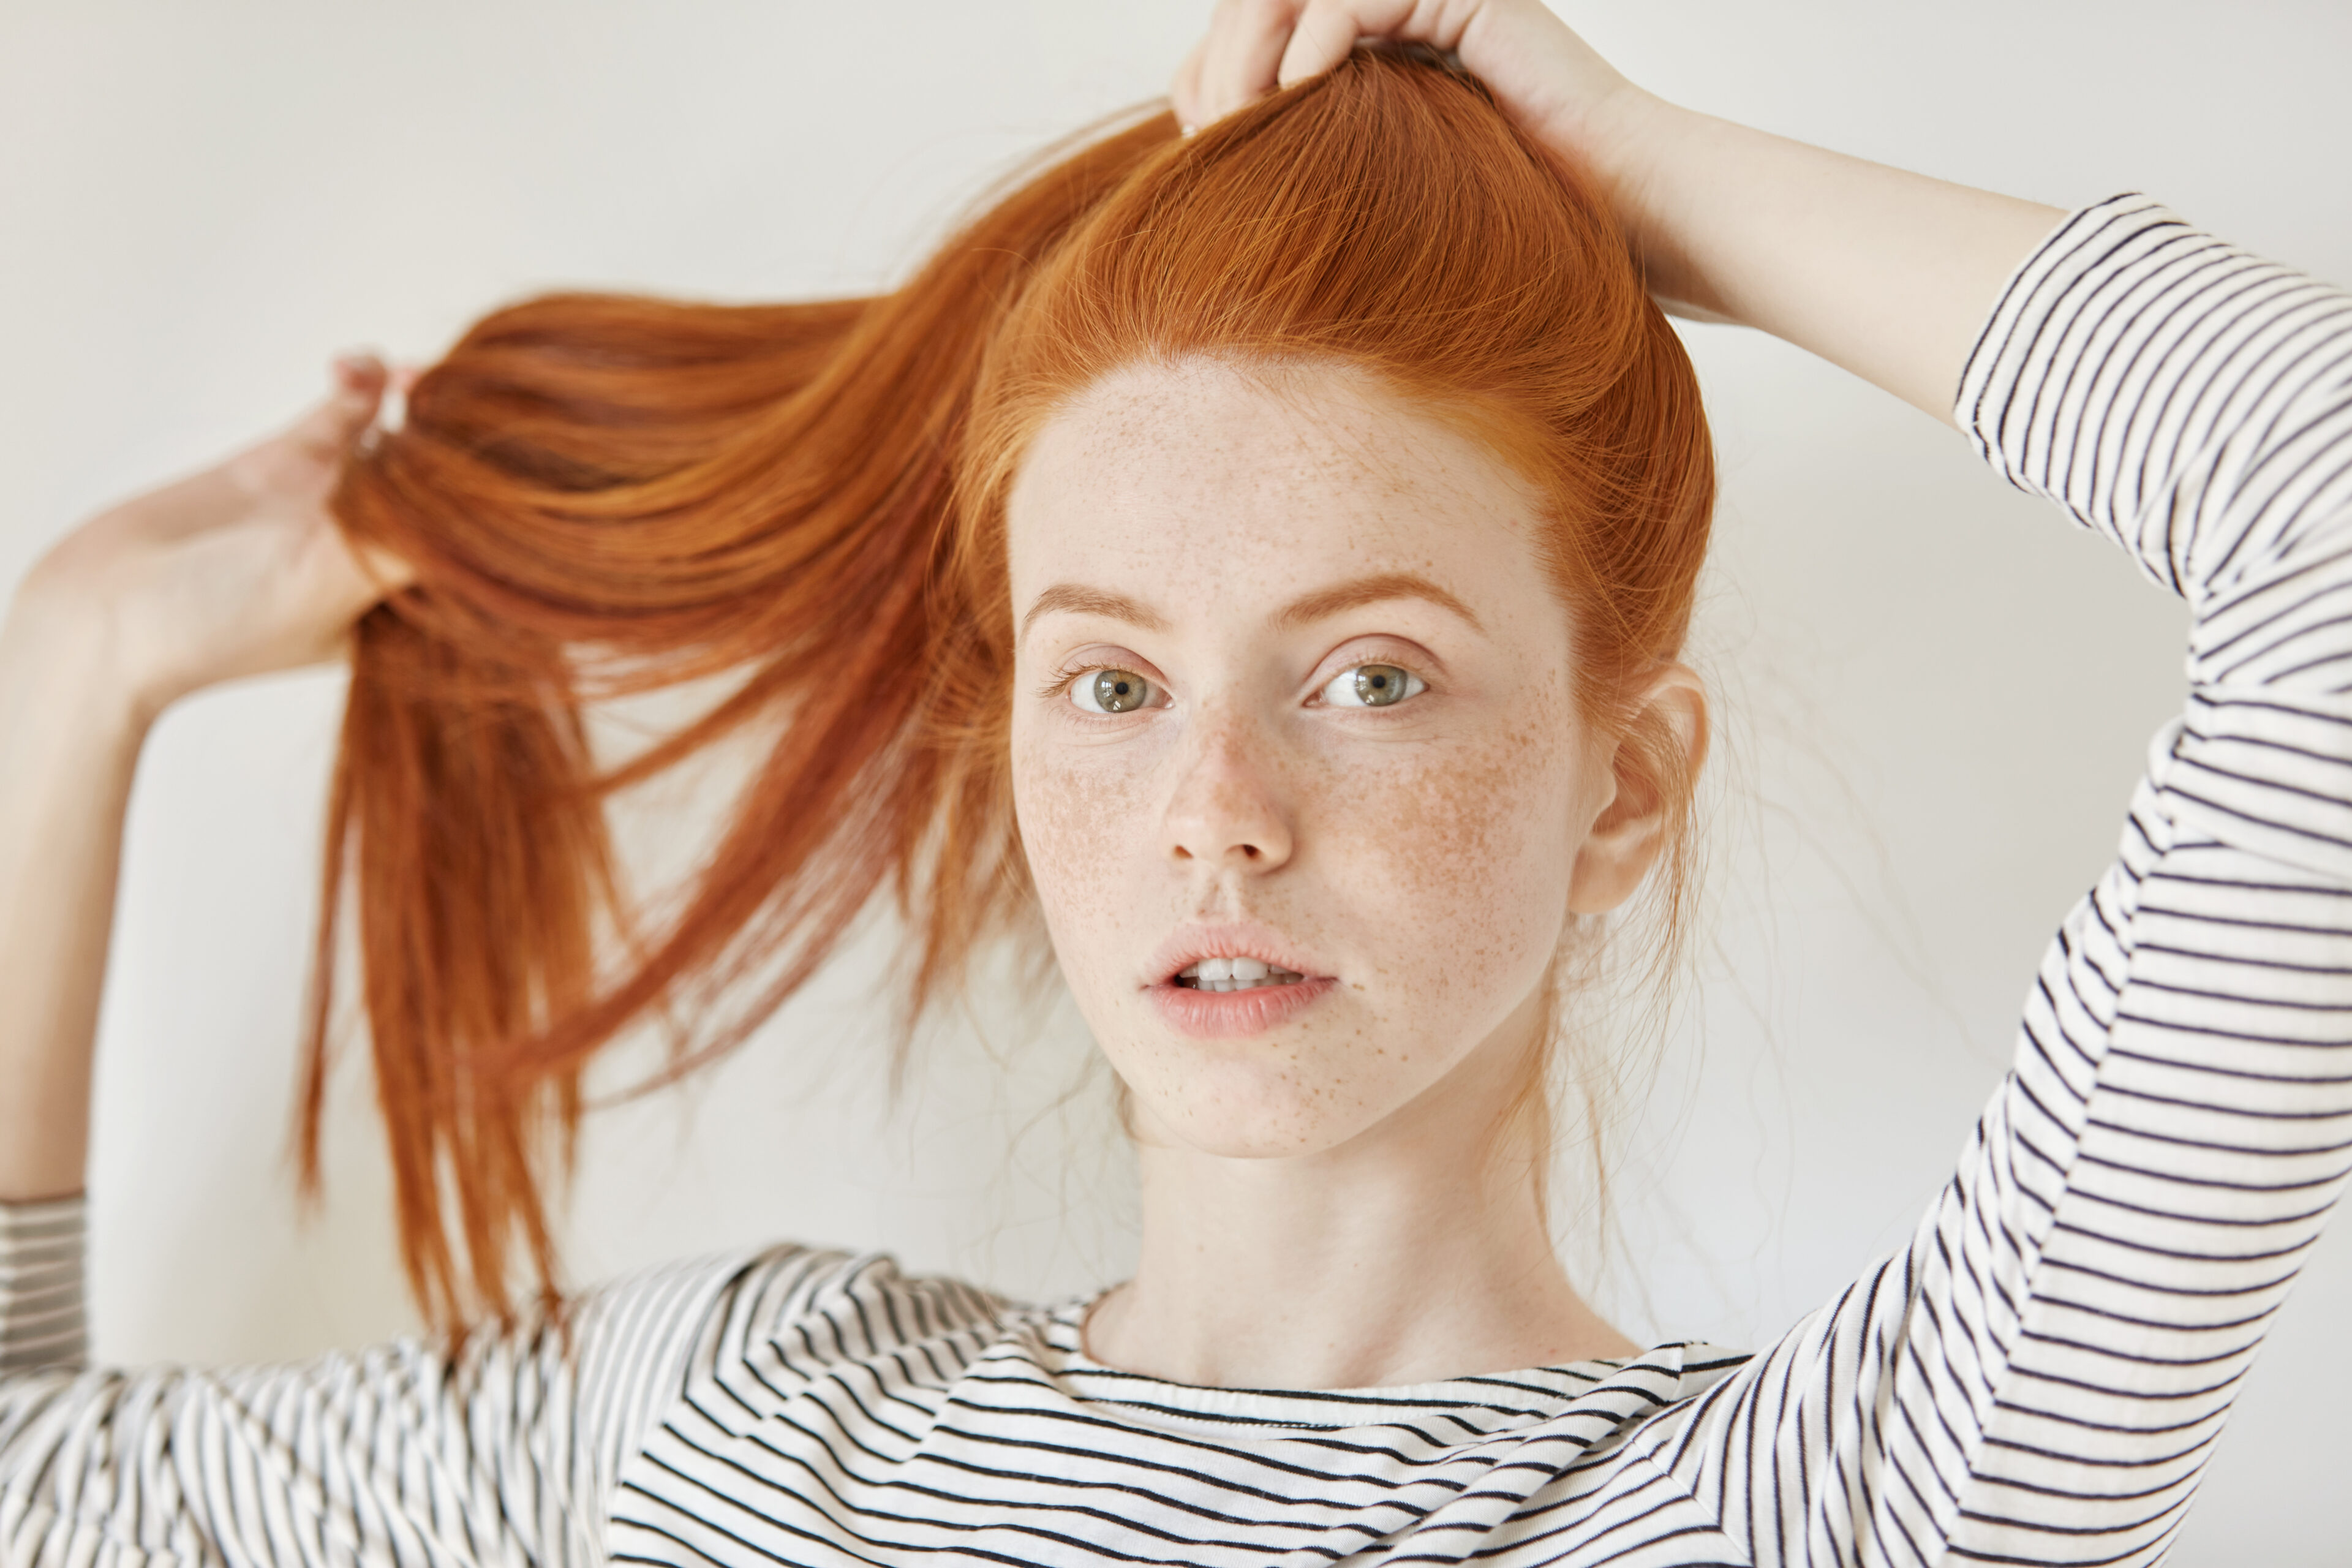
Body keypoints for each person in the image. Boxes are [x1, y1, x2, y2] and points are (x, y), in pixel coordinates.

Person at [2, 1, 2346, 1563]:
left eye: (1373, 677)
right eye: (1111, 686)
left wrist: (1633, 177)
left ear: (1623, 790)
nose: (1216, 806)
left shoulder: (1839, 1507)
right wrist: (77, 665)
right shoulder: (731, 1411)